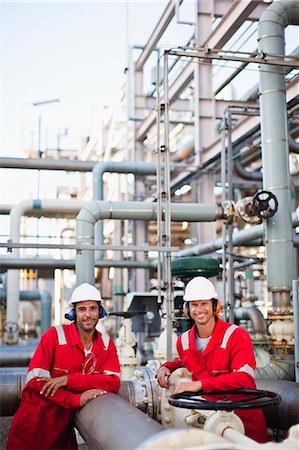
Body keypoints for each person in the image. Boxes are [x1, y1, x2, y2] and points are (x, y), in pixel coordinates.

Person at [7, 282, 121, 450]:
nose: (88, 315)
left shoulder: (106, 344)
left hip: (63, 433)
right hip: (33, 430)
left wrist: (69, 380)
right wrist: (76, 399)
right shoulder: (54, 336)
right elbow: (35, 381)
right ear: (73, 313)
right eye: (82, 309)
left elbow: (113, 382)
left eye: (93, 308)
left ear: (100, 311)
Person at [157, 276, 268, 443]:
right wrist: (166, 366)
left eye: (204, 304)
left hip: (244, 425)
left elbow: (244, 378)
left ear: (215, 306)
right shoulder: (184, 341)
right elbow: (189, 362)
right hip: (209, 423)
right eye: (194, 305)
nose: (199, 309)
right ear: (187, 309)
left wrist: (198, 385)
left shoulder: (236, 336)